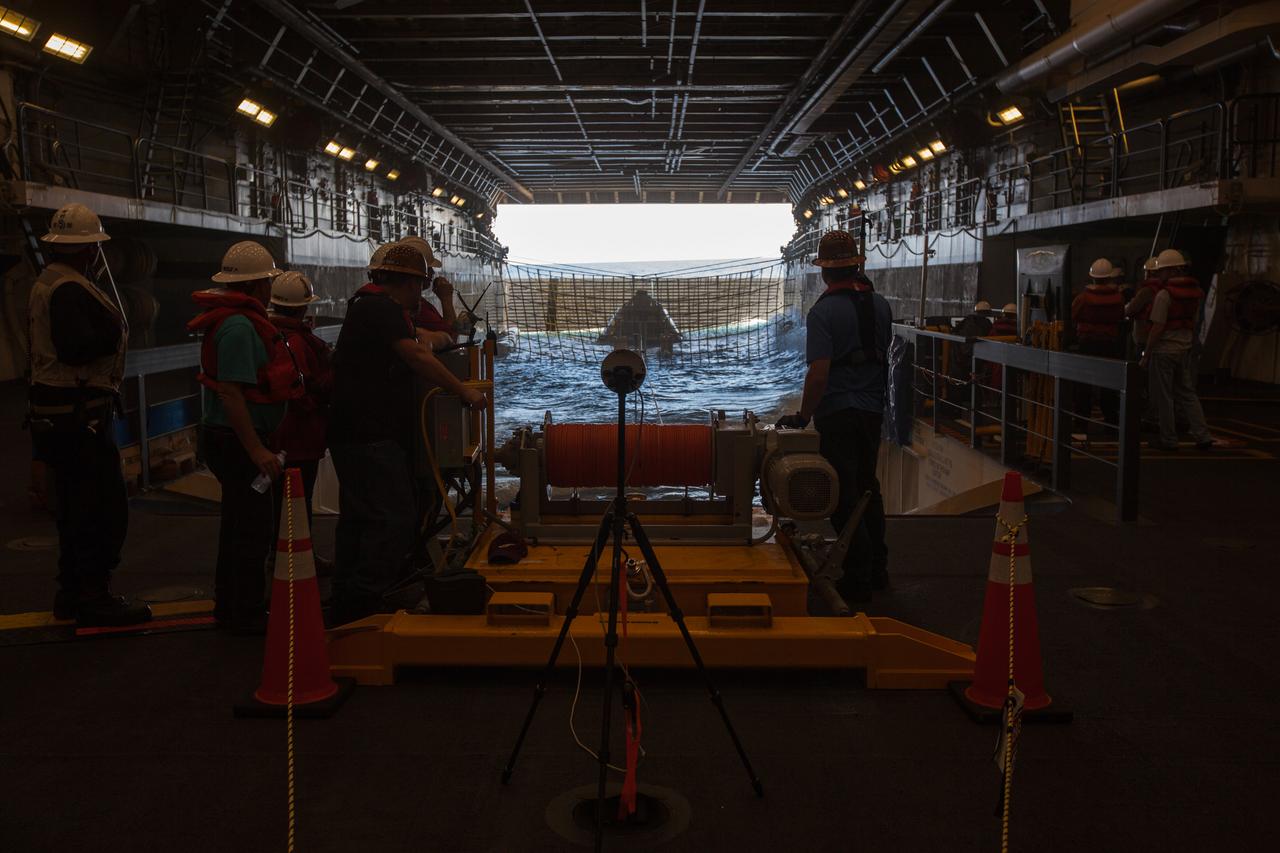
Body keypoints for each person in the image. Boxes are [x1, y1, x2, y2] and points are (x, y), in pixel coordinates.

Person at [327, 244, 486, 624]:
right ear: (408, 282)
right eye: (420, 285)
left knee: (359, 519)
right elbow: (416, 355)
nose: (421, 293)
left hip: (351, 432)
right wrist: (462, 390)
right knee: (393, 518)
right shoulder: (381, 309)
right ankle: (366, 603)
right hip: (371, 437)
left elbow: (425, 341)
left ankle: (347, 601)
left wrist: (439, 339)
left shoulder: (366, 308)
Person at [27, 203, 152, 626]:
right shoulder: (69, 289)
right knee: (101, 510)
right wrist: (112, 331)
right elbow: (75, 347)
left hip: (62, 416)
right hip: (79, 419)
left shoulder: (51, 282)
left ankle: (72, 593)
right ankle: (93, 596)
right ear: (90, 250)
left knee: (75, 509)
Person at [189, 241, 303, 632]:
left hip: (233, 438)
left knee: (239, 524)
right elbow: (232, 394)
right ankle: (245, 612)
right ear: (257, 287)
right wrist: (256, 450)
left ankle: (233, 605)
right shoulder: (239, 327)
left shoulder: (234, 321)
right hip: (238, 442)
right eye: (267, 283)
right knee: (250, 529)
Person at [776, 230, 892, 604]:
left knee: (843, 495)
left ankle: (856, 581)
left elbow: (820, 373)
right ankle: (878, 570)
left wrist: (804, 415)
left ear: (825, 273)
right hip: (873, 410)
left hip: (838, 412)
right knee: (868, 489)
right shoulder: (882, 305)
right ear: (857, 265)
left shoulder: (823, 312)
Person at [1126, 249, 1214, 451]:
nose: (1159, 275)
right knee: (1188, 394)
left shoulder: (1164, 296)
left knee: (1164, 396)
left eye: (1162, 271)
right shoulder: (1195, 294)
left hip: (1164, 351)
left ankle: (1168, 439)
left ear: (1172, 271)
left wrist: (1146, 355)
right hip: (1184, 349)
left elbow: (1157, 328)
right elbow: (1194, 322)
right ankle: (1203, 435)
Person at [267, 270, 332, 523]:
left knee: (279, 505)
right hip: (300, 438)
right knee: (297, 505)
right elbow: (306, 390)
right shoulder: (298, 343)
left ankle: (280, 555)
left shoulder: (268, 335)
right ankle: (296, 559)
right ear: (303, 307)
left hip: (276, 436)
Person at [1071, 258, 1126, 428]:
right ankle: (1111, 421)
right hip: (1110, 344)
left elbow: (1073, 315)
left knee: (1083, 385)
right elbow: (1120, 317)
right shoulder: (1118, 298)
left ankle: (1081, 422)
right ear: (1110, 277)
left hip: (1087, 344)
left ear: (1092, 277)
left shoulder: (1083, 298)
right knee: (1109, 385)